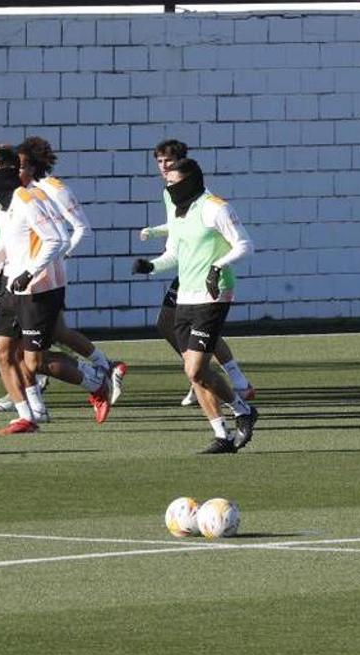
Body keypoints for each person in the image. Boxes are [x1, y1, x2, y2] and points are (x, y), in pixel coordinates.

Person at [0, 137, 127, 413]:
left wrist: (55, 258)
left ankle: (100, 370)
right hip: (18, 278)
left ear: (30, 167)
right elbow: (10, 231)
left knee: (41, 347)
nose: (16, 171)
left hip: (43, 280)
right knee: (19, 349)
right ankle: (32, 405)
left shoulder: (49, 191)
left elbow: (73, 231)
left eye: (20, 165)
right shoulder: (13, 196)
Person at [133, 158, 258, 453]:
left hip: (213, 296)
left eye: (173, 183)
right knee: (196, 373)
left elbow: (245, 245)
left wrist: (217, 266)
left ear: (190, 181)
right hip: (185, 298)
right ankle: (222, 434)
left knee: (194, 369)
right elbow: (174, 253)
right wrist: (150, 266)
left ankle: (242, 411)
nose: (169, 187)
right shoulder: (178, 212)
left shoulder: (216, 207)